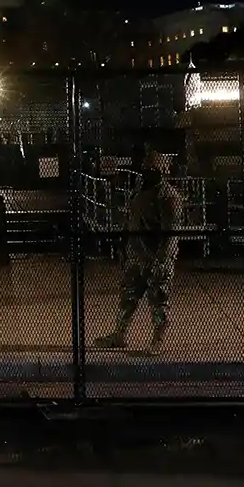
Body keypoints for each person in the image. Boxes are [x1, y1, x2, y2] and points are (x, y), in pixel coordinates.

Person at [92, 146, 181, 354]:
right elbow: (129, 220)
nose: (147, 172)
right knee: (127, 297)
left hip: (155, 258)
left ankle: (157, 340)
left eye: (152, 169)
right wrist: (123, 247)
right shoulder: (139, 191)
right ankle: (120, 334)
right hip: (136, 256)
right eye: (145, 168)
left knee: (158, 300)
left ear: (162, 171)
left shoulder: (168, 197)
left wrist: (162, 261)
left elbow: (171, 233)